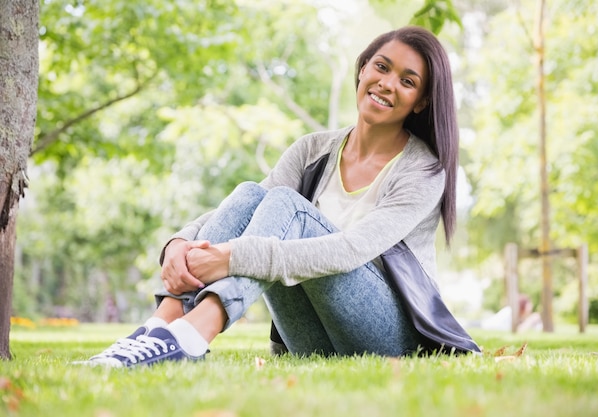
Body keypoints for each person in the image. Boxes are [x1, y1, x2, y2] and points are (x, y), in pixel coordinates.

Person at [76, 25, 481, 368]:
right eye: (381, 67)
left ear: (421, 101)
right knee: (256, 193)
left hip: (389, 338)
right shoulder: (313, 149)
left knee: (289, 208)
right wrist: (179, 241)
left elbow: (352, 250)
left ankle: (196, 331)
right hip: (313, 338)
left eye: (407, 81)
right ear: (362, 69)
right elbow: (245, 206)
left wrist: (233, 257)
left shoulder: (424, 171)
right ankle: (159, 327)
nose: (388, 83)